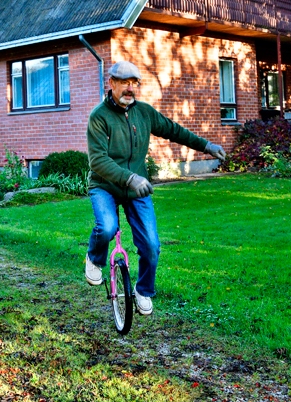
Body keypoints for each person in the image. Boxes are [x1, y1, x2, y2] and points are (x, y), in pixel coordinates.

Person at [84, 60, 226, 316]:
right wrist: (130, 178)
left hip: (135, 189)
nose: (130, 88)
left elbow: (173, 130)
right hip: (105, 185)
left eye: (134, 83)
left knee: (151, 245)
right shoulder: (99, 117)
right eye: (124, 82)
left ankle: (144, 290)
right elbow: (98, 161)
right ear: (112, 83)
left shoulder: (144, 113)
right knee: (106, 228)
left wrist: (206, 145)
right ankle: (94, 258)